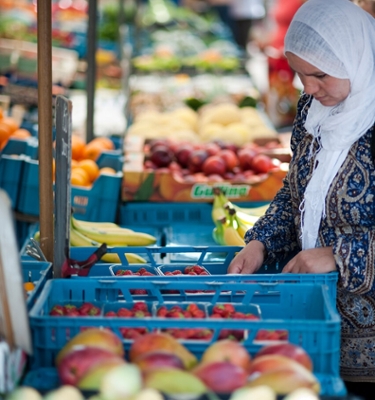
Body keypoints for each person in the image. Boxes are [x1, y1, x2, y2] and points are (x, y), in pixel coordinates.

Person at [227, 0, 375, 398]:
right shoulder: (315, 108)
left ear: (355, 59)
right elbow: (296, 193)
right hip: (311, 334)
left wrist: (338, 254)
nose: (307, 88)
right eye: (299, 74)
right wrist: (261, 241)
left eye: (319, 74)